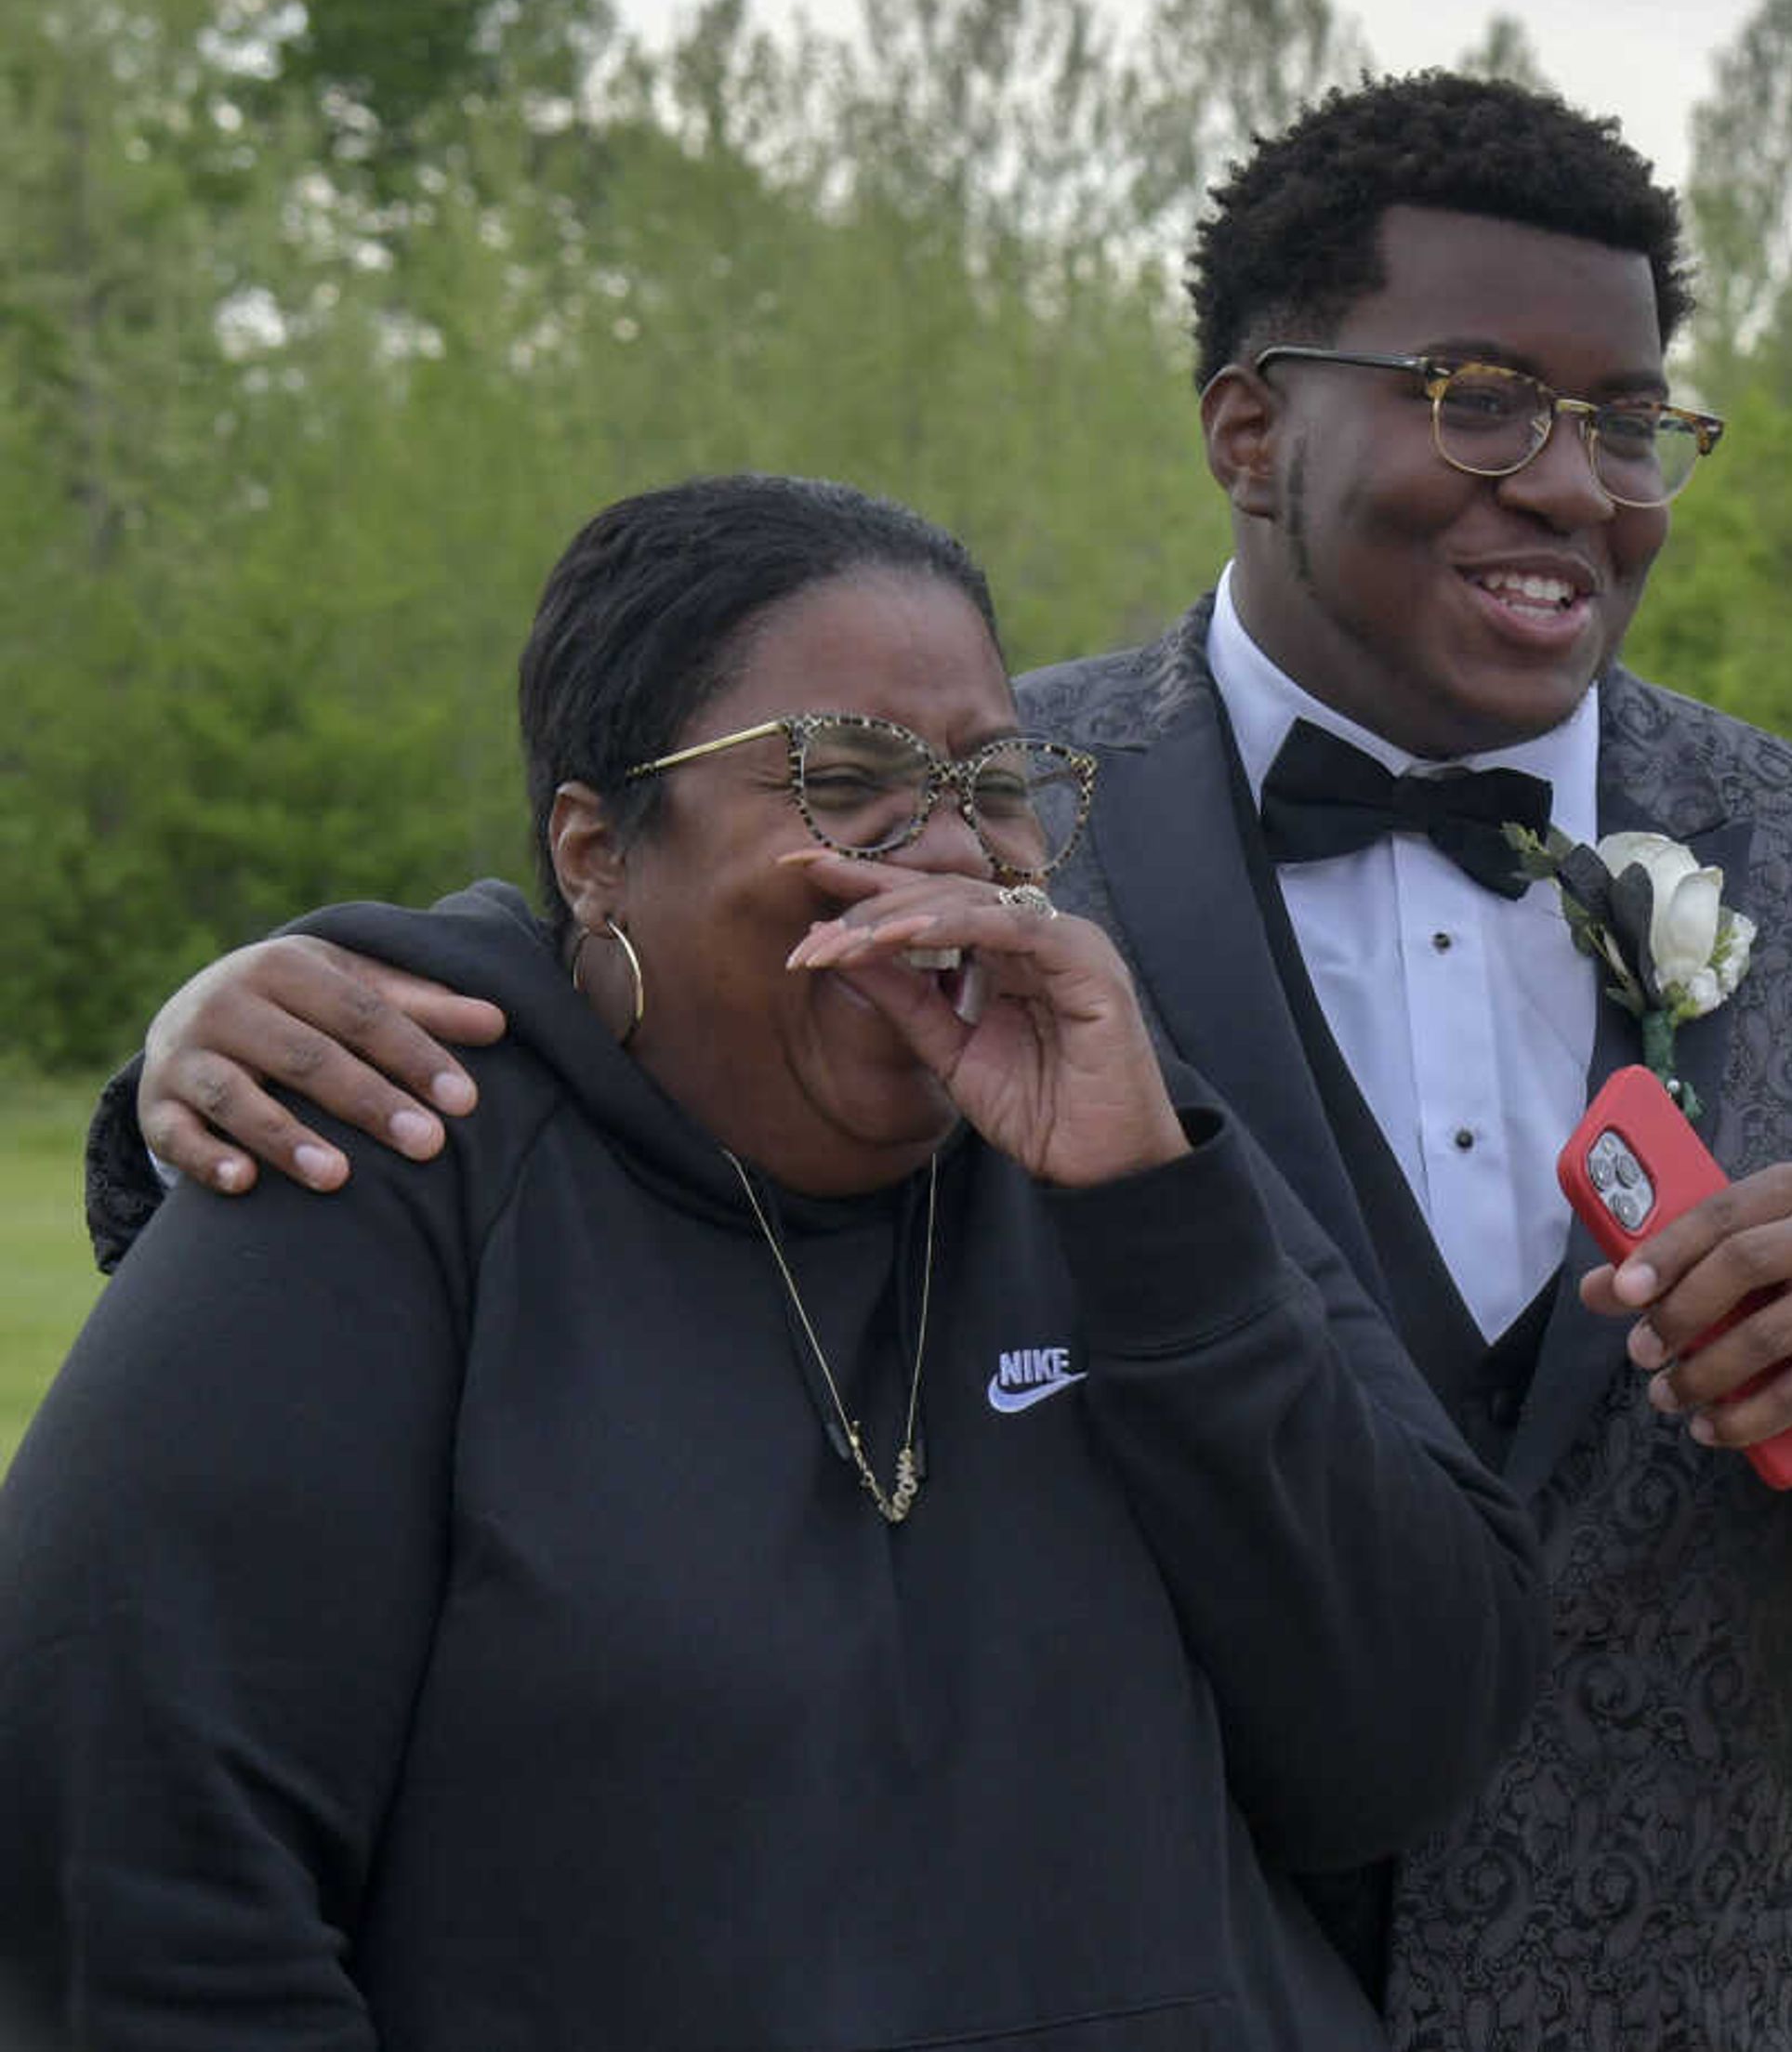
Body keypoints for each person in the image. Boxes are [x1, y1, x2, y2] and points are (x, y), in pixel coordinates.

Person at [86, 77, 1792, 2048]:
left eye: (1633, 422)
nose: (1571, 479)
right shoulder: (992, 801)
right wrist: (196, 1056)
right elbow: (591, 1004)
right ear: (1251, 431)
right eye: (1482, 399)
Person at [5, 475, 1546, 2047]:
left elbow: (1411, 1737)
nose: (953, 847)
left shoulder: (1133, 1146)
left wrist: (1160, 1232)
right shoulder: (382, 1151)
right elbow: (128, 1888)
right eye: (846, 774)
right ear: (598, 851)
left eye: (995, 782)